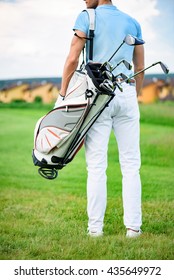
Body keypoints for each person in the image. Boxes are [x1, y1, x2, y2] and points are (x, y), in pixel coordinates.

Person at [56, 0, 145, 238]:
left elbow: (73, 59)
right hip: (127, 93)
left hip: (98, 97)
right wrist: (131, 97)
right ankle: (133, 229)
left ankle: (95, 230)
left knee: (96, 167)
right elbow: (140, 66)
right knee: (131, 165)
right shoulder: (132, 22)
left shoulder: (87, 17)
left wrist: (63, 95)